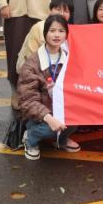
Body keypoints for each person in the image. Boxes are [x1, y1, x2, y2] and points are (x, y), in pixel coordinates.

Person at [17, 14, 80, 160]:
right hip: (38, 115)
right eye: (52, 31)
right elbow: (27, 100)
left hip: (61, 110)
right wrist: (49, 118)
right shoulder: (32, 63)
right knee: (50, 129)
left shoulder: (69, 59)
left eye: (61, 31)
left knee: (75, 120)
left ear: (66, 35)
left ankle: (61, 140)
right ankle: (30, 138)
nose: (57, 35)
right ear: (45, 33)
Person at [16, 0, 72, 74]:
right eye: (58, 9)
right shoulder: (38, 27)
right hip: (36, 72)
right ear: (50, 10)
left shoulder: (71, 30)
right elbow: (30, 56)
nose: (61, 13)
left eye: (66, 11)